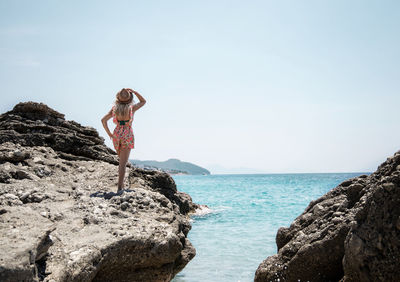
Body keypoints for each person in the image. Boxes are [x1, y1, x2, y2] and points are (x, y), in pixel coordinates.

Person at [101, 88, 146, 191]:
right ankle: (120, 188)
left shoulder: (114, 109)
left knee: (121, 161)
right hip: (127, 134)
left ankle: (121, 186)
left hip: (116, 133)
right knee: (123, 163)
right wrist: (134, 92)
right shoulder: (131, 108)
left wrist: (109, 134)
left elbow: (103, 120)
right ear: (130, 99)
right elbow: (143, 101)